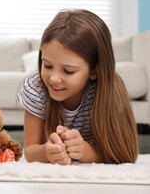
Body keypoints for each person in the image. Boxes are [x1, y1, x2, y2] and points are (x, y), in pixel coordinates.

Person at [17, 9, 138, 165]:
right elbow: (30, 151)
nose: (53, 78)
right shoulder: (36, 90)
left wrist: (86, 151)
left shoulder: (109, 90)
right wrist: (46, 152)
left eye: (68, 71)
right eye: (47, 65)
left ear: (95, 71)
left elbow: (124, 154)